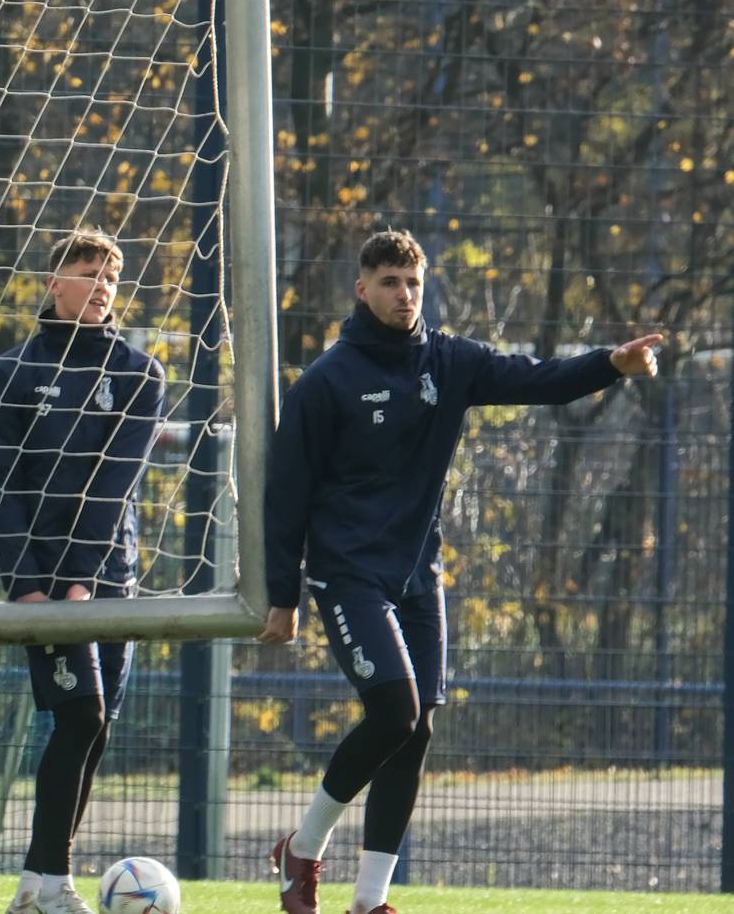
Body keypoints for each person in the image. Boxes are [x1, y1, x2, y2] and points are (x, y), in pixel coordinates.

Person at [260, 230, 659, 914]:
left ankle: (369, 900)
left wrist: (610, 364)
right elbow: (287, 495)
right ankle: (304, 847)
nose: (404, 295)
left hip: (418, 574)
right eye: (390, 282)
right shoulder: (326, 381)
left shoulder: (449, 361)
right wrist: (282, 594)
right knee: (394, 710)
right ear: (362, 289)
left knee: (416, 729)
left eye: (413, 283)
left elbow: (539, 379)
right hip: (348, 573)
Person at [0, 229, 167, 914]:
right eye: (89, 272)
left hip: (110, 577)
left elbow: (116, 484)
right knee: (80, 715)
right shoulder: (9, 374)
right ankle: (51, 885)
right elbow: (1, 485)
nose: (103, 286)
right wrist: (26, 584)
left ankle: (37, 887)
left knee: (95, 724)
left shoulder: (140, 374)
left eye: (112, 275)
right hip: (44, 581)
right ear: (53, 283)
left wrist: (88, 577)